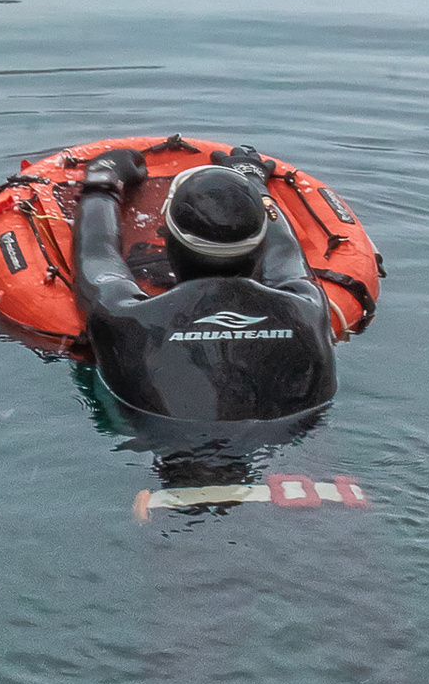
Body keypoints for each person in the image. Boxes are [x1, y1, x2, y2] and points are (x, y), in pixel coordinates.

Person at [70, 145, 339, 455]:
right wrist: (252, 179)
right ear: (259, 246)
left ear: (169, 242)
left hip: (159, 449)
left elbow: (96, 255)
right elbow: (285, 254)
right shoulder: (307, 310)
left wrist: (102, 180)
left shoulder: (124, 318)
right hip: (290, 453)